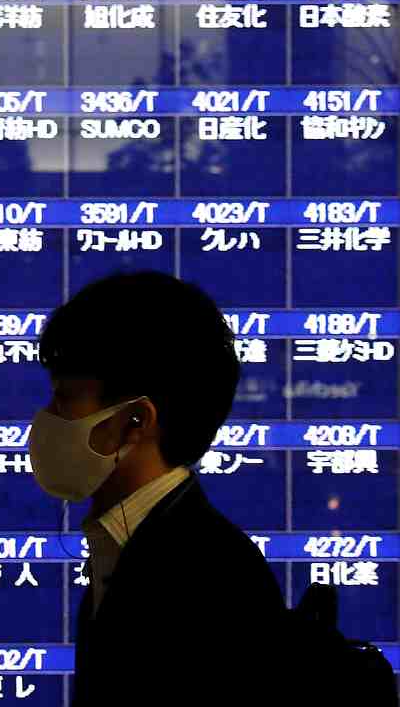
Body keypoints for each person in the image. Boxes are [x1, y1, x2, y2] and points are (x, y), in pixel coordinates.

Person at [27, 270, 293, 707]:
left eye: (65, 398)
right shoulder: (132, 545)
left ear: (135, 422)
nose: (45, 420)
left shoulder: (210, 577)